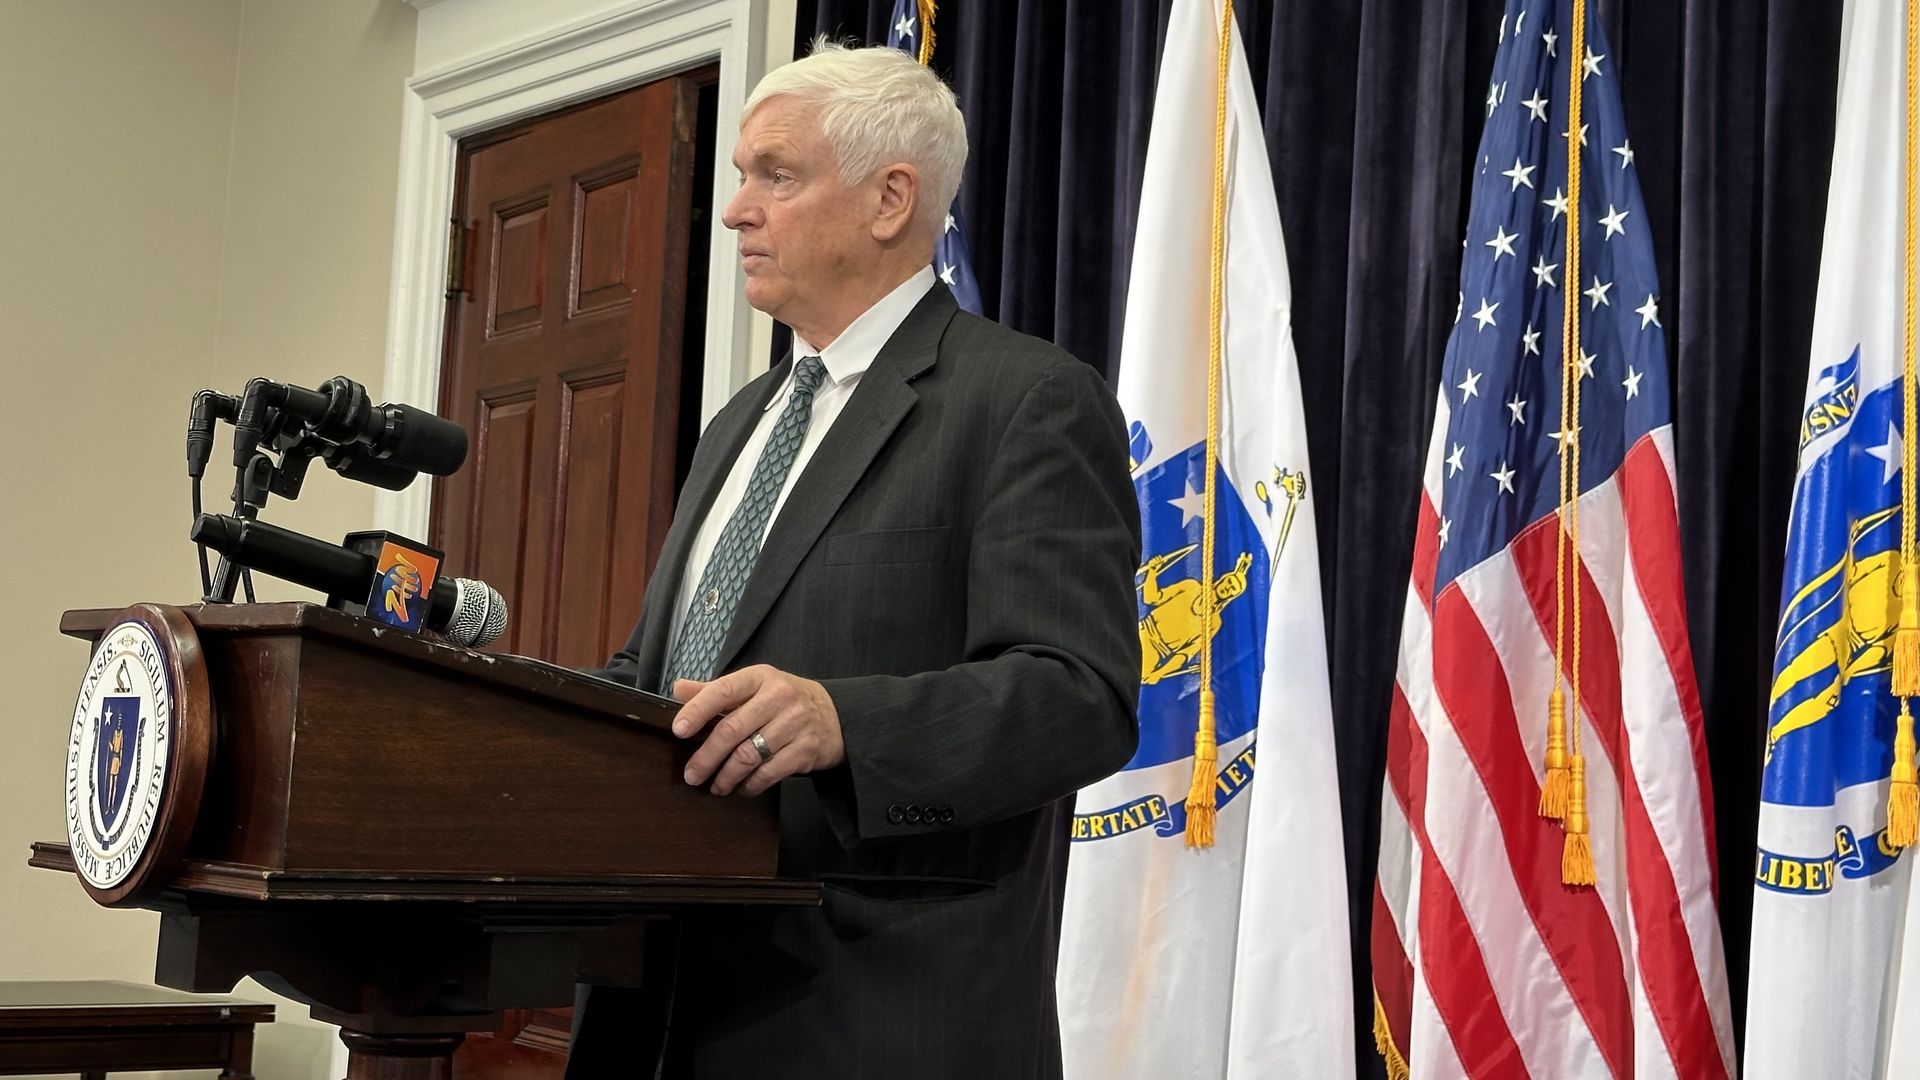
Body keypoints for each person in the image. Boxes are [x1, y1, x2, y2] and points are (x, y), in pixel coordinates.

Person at [566, 40, 1141, 1080]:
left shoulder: (1025, 402)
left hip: (870, 1018)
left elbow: (1078, 698)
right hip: (651, 1011)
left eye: (774, 176)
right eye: (742, 176)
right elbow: (657, 676)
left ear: (889, 200)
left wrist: (846, 722)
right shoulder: (738, 427)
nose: (737, 209)